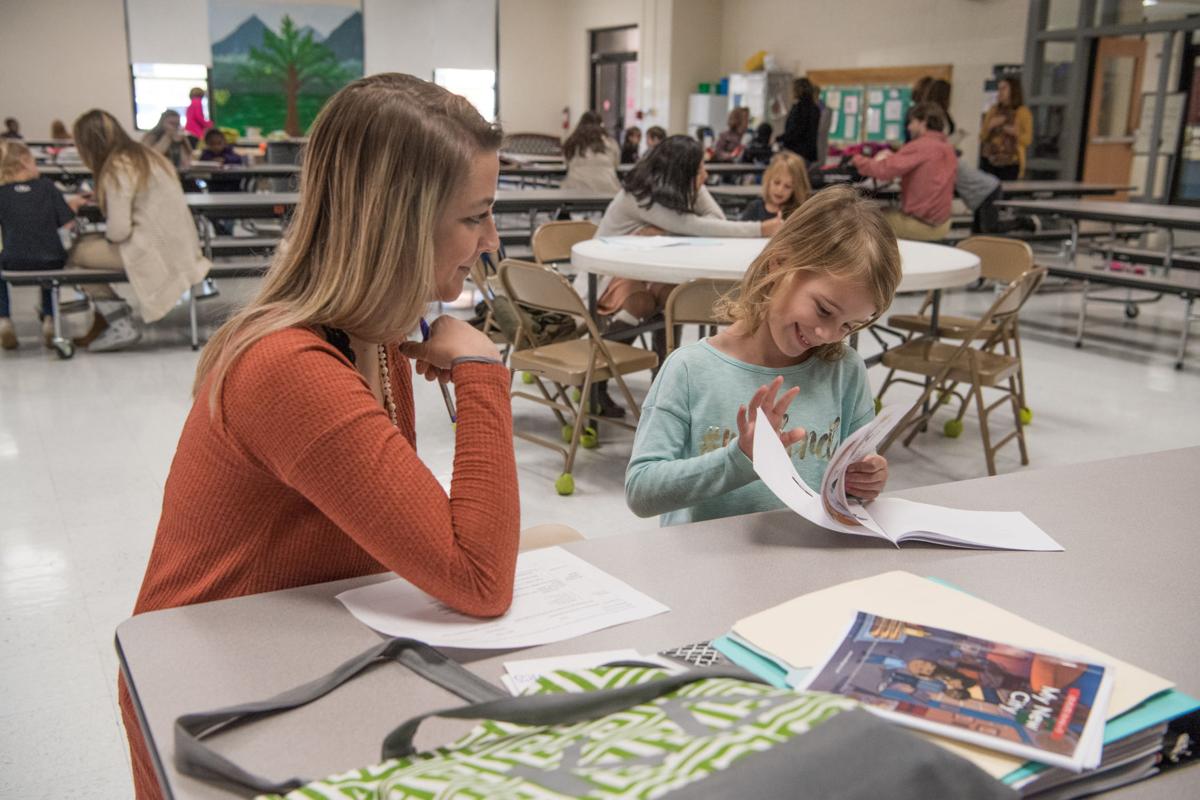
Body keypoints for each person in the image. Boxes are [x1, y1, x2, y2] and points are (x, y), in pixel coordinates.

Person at [117, 73, 521, 800]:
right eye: (476, 217)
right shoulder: (291, 367)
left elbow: (423, 539)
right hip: (210, 699)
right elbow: (478, 579)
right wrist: (481, 370)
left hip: (307, 653)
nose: (491, 243)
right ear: (400, 222)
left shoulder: (381, 336)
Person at [625, 186, 901, 525]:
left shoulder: (845, 370)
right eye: (824, 309)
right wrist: (739, 459)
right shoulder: (689, 369)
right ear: (780, 265)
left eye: (849, 325)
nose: (829, 335)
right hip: (702, 569)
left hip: (807, 565)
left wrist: (865, 479)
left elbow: (849, 478)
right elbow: (641, 491)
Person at [593, 135, 782, 417]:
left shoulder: (677, 187)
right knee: (643, 303)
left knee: (672, 296)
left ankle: (662, 378)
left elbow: (714, 222)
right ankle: (596, 380)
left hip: (648, 272)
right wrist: (760, 229)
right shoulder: (640, 196)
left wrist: (695, 191)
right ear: (680, 174)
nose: (705, 174)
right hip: (611, 273)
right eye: (699, 170)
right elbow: (693, 225)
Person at [71, 108, 211, 350]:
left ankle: (118, 322)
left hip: (152, 252)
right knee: (88, 242)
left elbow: (118, 231)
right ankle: (109, 318)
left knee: (75, 255)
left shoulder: (116, 165)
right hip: (183, 247)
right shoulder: (148, 156)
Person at [0, 141, 86, 349]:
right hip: (51, 259)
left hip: (12, 260)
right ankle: (49, 317)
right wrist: (73, 204)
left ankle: (3, 319)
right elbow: (67, 222)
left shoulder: (1, 192)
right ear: (25, 161)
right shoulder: (47, 187)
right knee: (48, 271)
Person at [852, 103, 957, 241]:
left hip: (921, 225)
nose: (908, 127)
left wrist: (855, 159)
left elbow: (883, 170)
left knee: (864, 219)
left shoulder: (920, 146)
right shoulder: (948, 148)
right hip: (942, 224)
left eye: (912, 122)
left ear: (923, 122)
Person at [980, 76, 1032, 180]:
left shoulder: (1022, 112)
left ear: (1013, 90)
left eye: (1003, 88)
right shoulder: (993, 110)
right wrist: (990, 126)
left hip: (1011, 162)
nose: (1000, 92)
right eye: (999, 89)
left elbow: (1027, 140)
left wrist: (1015, 133)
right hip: (989, 159)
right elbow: (982, 137)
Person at [740, 151, 811, 222]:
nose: (780, 190)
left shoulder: (798, 214)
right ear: (768, 179)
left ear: (796, 189)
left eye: (787, 186)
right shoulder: (754, 208)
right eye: (776, 183)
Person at [561, 110, 621, 193]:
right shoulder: (610, 142)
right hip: (608, 188)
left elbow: (567, 164)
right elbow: (616, 164)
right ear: (601, 125)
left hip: (575, 190)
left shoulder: (572, 142)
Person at [779, 78, 821, 164]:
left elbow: (795, 131)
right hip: (810, 152)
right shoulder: (815, 108)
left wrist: (779, 139)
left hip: (796, 151)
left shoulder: (799, 108)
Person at [197, 128, 244, 192]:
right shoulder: (206, 153)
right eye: (212, 144)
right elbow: (201, 163)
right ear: (207, 144)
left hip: (231, 183)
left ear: (224, 142)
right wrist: (211, 161)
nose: (216, 147)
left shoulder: (228, 151)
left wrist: (225, 159)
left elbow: (238, 159)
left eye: (219, 143)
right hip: (213, 185)